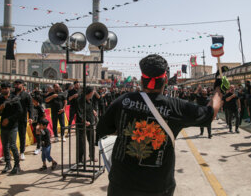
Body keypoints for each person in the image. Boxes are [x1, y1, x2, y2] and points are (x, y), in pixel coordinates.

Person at [96, 54, 225, 196]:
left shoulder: (123, 101)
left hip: (120, 185)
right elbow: (210, 112)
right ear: (165, 80)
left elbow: (102, 129)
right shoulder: (175, 107)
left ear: (141, 80)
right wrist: (218, 88)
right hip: (158, 188)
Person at [0, 81, 23, 174]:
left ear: (9, 88)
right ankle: (8, 164)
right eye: (3, 88)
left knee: (12, 145)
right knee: (5, 145)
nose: (4, 90)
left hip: (12, 125)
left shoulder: (14, 98)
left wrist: (9, 119)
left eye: (6, 88)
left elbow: (20, 112)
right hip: (3, 125)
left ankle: (17, 165)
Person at [12, 79, 33, 161]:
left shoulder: (26, 95)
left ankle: (22, 152)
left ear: (22, 85)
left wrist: (31, 117)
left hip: (22, 118)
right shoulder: (12, 94)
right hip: (12, 119)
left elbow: (30, 106)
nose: (17, 85)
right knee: (11, 137)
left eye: (18, 84)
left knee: (22, 135)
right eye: (16, 84)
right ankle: (9, 153)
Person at [77, 86, 98, 163]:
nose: (93, 94)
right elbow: (80, 113)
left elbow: (90, 108)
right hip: (82, 125)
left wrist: (93, 111)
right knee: (81, 142)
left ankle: (92, 156)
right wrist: (84, 121)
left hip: (91, 123)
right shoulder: (80, 100)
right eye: (92, 93)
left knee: (92, 140)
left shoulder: (90, 100)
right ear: (89, 93)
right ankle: (80, 159)